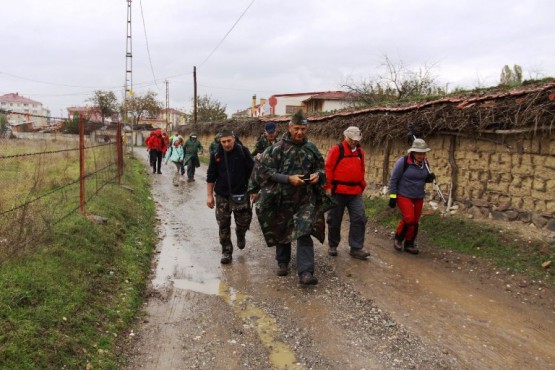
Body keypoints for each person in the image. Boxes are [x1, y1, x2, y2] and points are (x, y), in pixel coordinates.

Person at [249, 110, 331, 285]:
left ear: (307, 129)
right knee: (283, 229)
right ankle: (283, 262)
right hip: (282, 198)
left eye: (303, 128)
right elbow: (264, 171)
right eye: (296, 128)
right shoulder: (277, 149)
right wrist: (287, 179)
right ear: (289, 127)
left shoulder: (312, 148)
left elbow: (322, 168)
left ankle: (306, 272)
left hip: (305, 199)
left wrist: (318, 175)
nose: (299, 132)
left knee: (304, 231)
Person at [206, 129, 255, 264]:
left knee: (244, 221)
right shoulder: (216, 154)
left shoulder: (243, 151)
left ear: (233, 138)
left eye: (229, 141)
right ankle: (226, 251)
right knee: (223, 224)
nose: (226, 144)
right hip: (222, 195)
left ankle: (241, 234)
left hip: (241, 193)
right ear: (220, 141)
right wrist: (209, 195)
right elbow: (211, 176)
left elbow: (253, 172)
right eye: (223, 142)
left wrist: (255, 190)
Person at [324, 126, 370, 259]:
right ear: (346, 137)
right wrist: (328, 186)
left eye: (356, 140)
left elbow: (362, 168)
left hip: (355, 191)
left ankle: (356, 248)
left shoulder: (360, 152)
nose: (353, 142)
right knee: (334, 219)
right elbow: (329, 168)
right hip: (338, 191)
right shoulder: (337, 150)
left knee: (359, 218)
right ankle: (333, 245)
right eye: (351, 139)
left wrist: (362, 184)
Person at [388, 138, 436, 255]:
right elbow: (393, 179)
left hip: (418, 195)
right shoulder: (403, 162)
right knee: (409, 218)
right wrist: (393, 196)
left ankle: (409, 243)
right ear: (413, 152)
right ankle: (398, 238)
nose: (421, 156)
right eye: (419, 153)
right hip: (404, 194)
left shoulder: (425, 164)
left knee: (415, 220)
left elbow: (422, 177)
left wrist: (428, 179)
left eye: (423, 153)